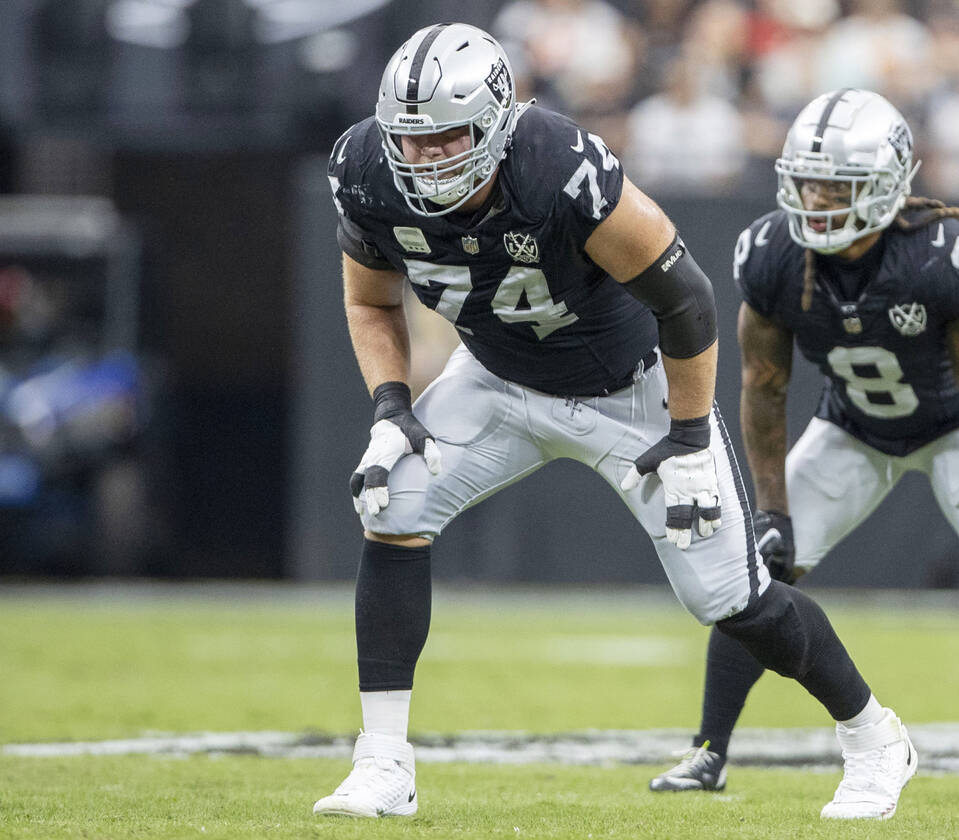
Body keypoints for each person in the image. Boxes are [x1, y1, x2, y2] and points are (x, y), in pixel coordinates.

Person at [314, 24, 916, 821]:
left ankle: (876, 739)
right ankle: (384, 762)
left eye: (447, 138)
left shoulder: (558, 167)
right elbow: (370, 300)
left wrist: (693, 435)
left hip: (628, 393)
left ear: (495, 118)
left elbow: (688, 297)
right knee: (392, 501)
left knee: (733, 598)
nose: (426, 160)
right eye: (411, 141)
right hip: (494, 377)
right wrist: (392, 406)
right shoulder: (365, 169)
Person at [648, 88, 959, 800]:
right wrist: (772, 512)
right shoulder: (773, 254)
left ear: (889, 186)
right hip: (853, 429)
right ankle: (708, 751)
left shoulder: (941, 257)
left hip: (955, 425)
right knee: (753, 575)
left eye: (838, 183)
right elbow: (764, 388)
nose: (818, 197)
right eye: (807, 181)